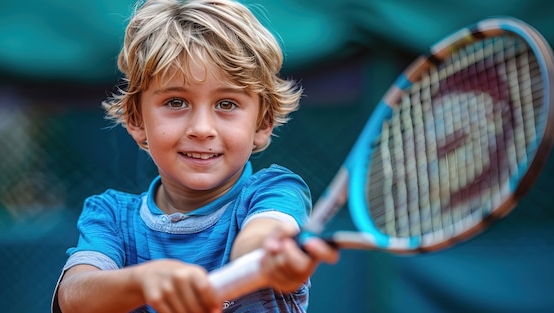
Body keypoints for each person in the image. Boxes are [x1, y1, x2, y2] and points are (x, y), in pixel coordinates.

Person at [51, 0, 339, 312]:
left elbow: (263, 236)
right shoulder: (110, 215)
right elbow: (74, 297)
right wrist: (141, 280)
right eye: (176, 102)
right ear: (136, 120)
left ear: (263, 123)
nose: (202, 129)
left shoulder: (275, 190)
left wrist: (271, 255)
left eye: (226, 104)